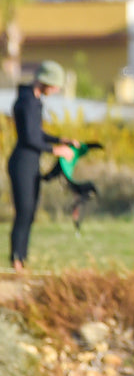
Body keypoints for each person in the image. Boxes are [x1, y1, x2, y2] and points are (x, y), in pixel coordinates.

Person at [8, 60, 76, 271]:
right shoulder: (26, 102)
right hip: (22, 163)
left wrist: (60, 140)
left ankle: (22, 259)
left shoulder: (35, 101)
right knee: (24, 211)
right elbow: (29, 138)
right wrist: (56, 150)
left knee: (30, 213)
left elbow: (37, 133)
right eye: (55, 86)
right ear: (45, 82)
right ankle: (16, 259)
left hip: (31, 163)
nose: (56, 90)